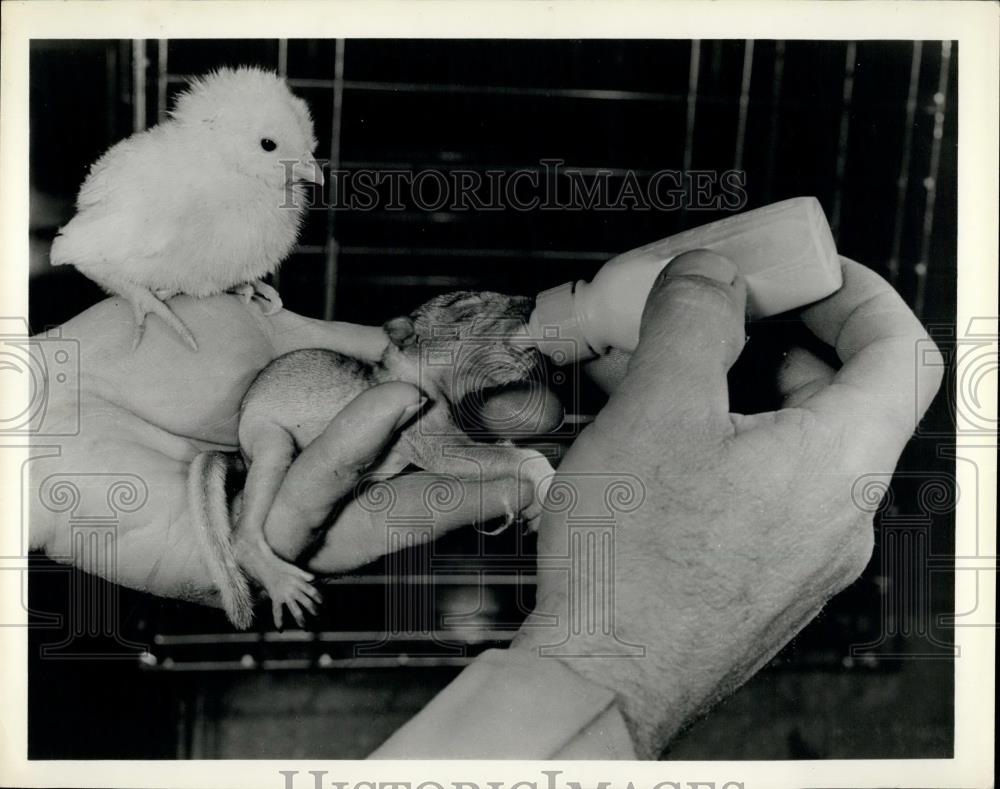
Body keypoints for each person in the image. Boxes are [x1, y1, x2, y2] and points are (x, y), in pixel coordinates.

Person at [28, 251, 942, 759]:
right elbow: (433, 415)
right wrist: (628, 654)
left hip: (287, 402)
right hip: (279, 417)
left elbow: (451, 418)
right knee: (274, 481)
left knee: (355, 464)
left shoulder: (422, 389)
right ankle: (258, 549)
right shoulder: (410, 391)